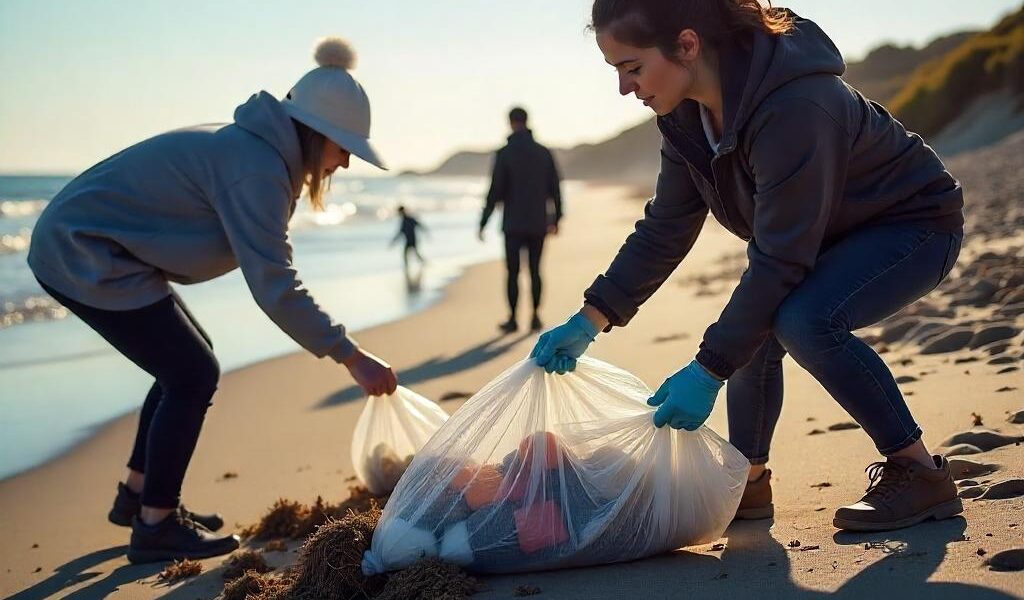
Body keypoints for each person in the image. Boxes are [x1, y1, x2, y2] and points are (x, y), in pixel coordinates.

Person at [531, 0, 965, 533]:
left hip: (911, 225)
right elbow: (666, 227)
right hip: (819, 236)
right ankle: (747, 481)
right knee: (755, 327)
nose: (625, 88)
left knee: (802, 320)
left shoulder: (798, 105)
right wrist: (590, 319)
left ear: (687, 45)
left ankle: (920, 473)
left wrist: (708, 371)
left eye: (633, 68)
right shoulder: (685, 117)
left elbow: (780, 257)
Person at [27, 38, 398, 563]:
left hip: (101, 248)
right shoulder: (258, 168)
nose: (345, 164)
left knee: (187, 361)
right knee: (192, 373)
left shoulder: (257, 150)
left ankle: (138, 495)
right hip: (82, 251)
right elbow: (275, 284)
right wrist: (351, 356)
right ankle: (155, 522)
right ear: (317, 136)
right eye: (345, 149)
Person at [480, 107, 563, 333]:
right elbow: (555, 188)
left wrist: (483, 221)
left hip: (513, 224)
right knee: (535, 271)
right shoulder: (543, 152)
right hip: (538, 222)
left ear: (510, 122)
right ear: (526, 121)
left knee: (513, 272)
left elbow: (495, 190)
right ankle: (535, 317)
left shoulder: (505, 153)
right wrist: (557, 218)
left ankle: (513, 319)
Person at [392, 205, 428, 277]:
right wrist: (394, 241)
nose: (399, 214)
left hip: (412, 240)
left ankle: (420, 265)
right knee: (411, 254)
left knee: (412, 254)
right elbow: (401, 232)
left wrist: (426, 232)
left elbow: (419, 225)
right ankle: (420, 264)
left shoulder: (408, 219)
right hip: (409, 240)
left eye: (399, 212)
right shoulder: (405, 220)